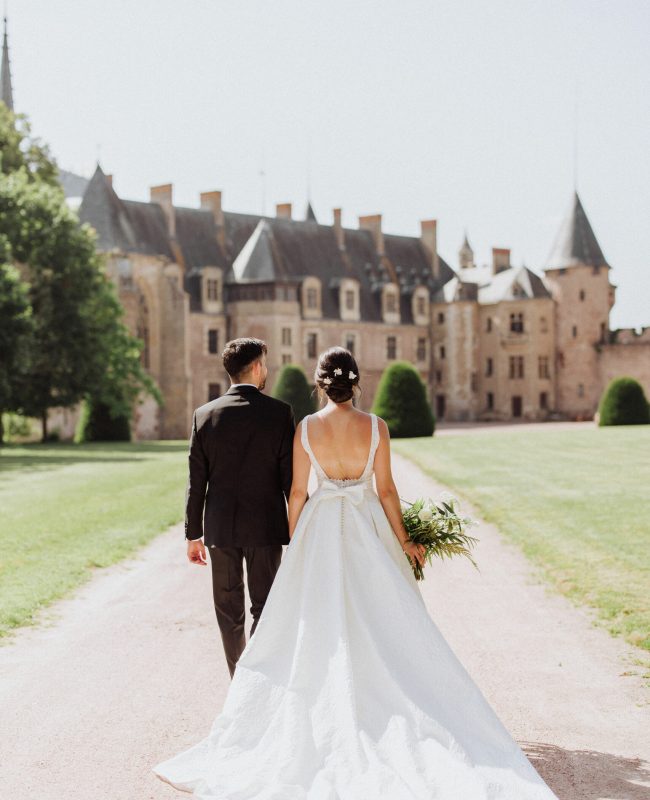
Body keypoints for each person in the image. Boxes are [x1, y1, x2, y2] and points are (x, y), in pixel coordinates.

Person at [154, 346, 558, 799]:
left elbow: (298, 492)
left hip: (317, 529)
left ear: (320, 383)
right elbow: (386, 490)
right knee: (384, 619)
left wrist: (293, 540)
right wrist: (405, 541)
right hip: (367, 530)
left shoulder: (304, 427)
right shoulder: (376, 427)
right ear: (356, 382)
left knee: (312, 626)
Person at [184, 337, 295, 678]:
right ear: (258, 367)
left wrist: (193, 534)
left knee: (229, 613)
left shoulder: (205, 415)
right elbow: (290, 480)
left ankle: (240, 682)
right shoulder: (279, 413)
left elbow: (196, 482)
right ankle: (261, 682)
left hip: (221, 529)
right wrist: (299, 524)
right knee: (265, 607)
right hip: (265, 526)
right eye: (265, 363)